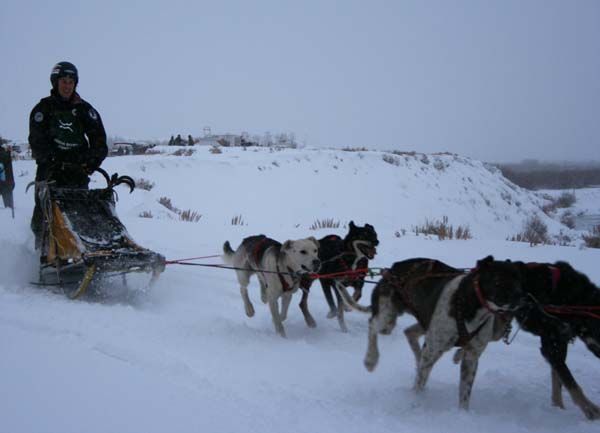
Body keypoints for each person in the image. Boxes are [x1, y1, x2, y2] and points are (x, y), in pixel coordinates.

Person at [29, 61, 108, 247]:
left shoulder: (85, 110)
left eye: (71, 82)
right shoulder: (43, 109)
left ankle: (81, 255)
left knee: (80, 218)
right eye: (64, 81)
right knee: (43, 219)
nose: (67, 85)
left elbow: (99, 140)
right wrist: (49, 160)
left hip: (77, 173)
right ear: (55, 82)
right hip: (49, 173)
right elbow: (37, 141)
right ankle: (43, 257)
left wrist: (91, 162)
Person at [0, 144, 15, 211]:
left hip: (4, 184)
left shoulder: (2, 155)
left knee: (8, 209)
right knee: (10, 207)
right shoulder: (4, 154)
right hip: (9, 183)